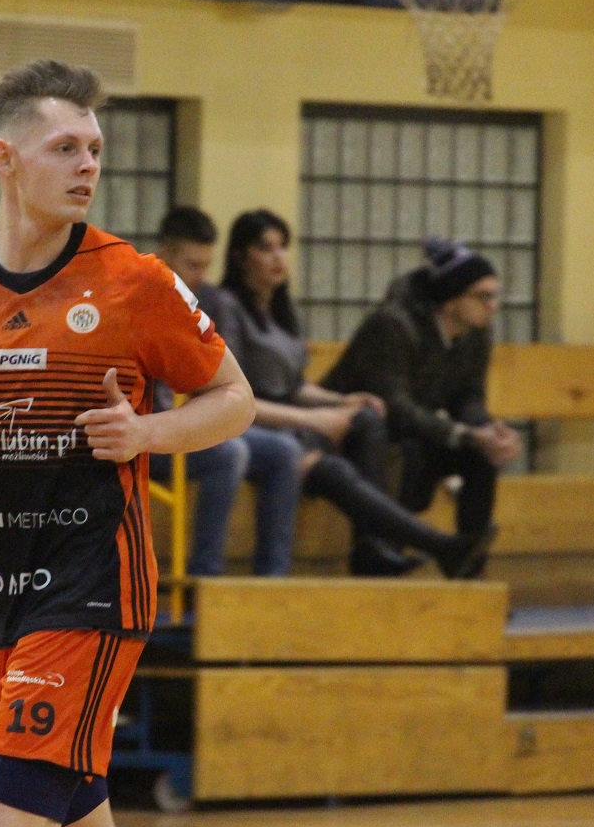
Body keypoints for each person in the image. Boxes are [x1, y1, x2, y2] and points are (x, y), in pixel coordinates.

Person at [0, 60, 253, 827]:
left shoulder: (135, 281)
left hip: (89, 584)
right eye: (66, 148)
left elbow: (235, 399)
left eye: (95, 149)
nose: (88, 165)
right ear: (5, 157)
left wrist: (147, 430)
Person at [209, 210, 493, 579]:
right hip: (252, 428)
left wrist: (342, 401)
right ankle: (437, 545)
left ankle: (374, 547)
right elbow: (232, 396)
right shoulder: (225, 306)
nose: (279, 258)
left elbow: (293, 386)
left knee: (367, 415)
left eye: (284, 247)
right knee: (333, 466)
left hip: (290, 423)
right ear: (239, 256)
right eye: (266, 249)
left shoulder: (279, 309)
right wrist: (314, 418)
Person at [322, 237, 520, 541]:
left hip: (410, 432)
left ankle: (467, 554)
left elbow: (468, 397)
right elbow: (395, 408)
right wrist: (464, 434)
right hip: (354, 434)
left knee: (481, 456)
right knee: (410, 455)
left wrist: (487, 430)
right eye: (483, 296)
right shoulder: (392, 325)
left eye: (495, 296)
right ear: (451, 299)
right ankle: (383, 553)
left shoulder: (476, 332)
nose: (492, 306)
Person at [154, 206, 301, 576]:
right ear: (164, 254)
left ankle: (272, 578)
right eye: (192, 265)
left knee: (284, 452)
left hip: (185, 422)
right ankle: (205, 576)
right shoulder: (136, 297)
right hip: (145, 429)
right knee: (229, 453)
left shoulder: (206, 301)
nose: (201, 276)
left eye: (206, 265)